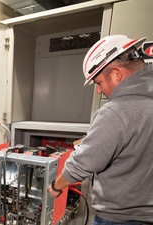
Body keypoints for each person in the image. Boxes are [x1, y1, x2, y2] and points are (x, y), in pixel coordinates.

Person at [47, 34, 153, 224]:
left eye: (98, 82)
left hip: (119, 218)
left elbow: (82, 164)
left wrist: (56, 187)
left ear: (116, 74)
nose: (98, 90)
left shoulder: (116, 111)